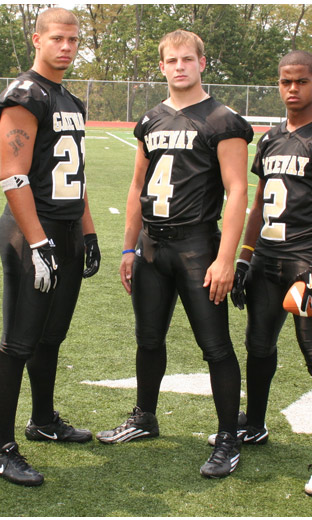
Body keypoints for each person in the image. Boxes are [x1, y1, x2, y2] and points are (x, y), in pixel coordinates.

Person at [95, 30, 252, 479]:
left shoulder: (223, 119)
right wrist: (128, 245)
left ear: (203, 62)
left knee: (215, 345)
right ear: (161, 66)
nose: (179, 66)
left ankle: (227, 438)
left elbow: (237, 190)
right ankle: (144, 417)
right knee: (148, 339)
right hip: (152, 246)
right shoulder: (151, 120)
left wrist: (226, 258)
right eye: (171, 60)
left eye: (188, 58)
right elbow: (137, 186)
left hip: (198, 246)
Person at [227, 50, 312, 496]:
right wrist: (245, 256)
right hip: (267, 258)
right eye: (285, 81)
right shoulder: (269, 138)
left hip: (307, 258)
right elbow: (257, 204)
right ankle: (256, 424)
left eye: (301, 81)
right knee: (258, 344)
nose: (292, 89)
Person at [0, 7, 101, 487]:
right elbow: (13, 176)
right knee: (19, 341)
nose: (67, 47)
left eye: (73, 40)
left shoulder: (70, 99)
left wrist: (89, 231)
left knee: (51, 337)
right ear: (37, 39)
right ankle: (0, 448)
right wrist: (38, 241)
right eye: (57, 38)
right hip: (31, 230)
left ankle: (43, 420)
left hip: (67, 228)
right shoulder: (25, 95)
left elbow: (75, 176)